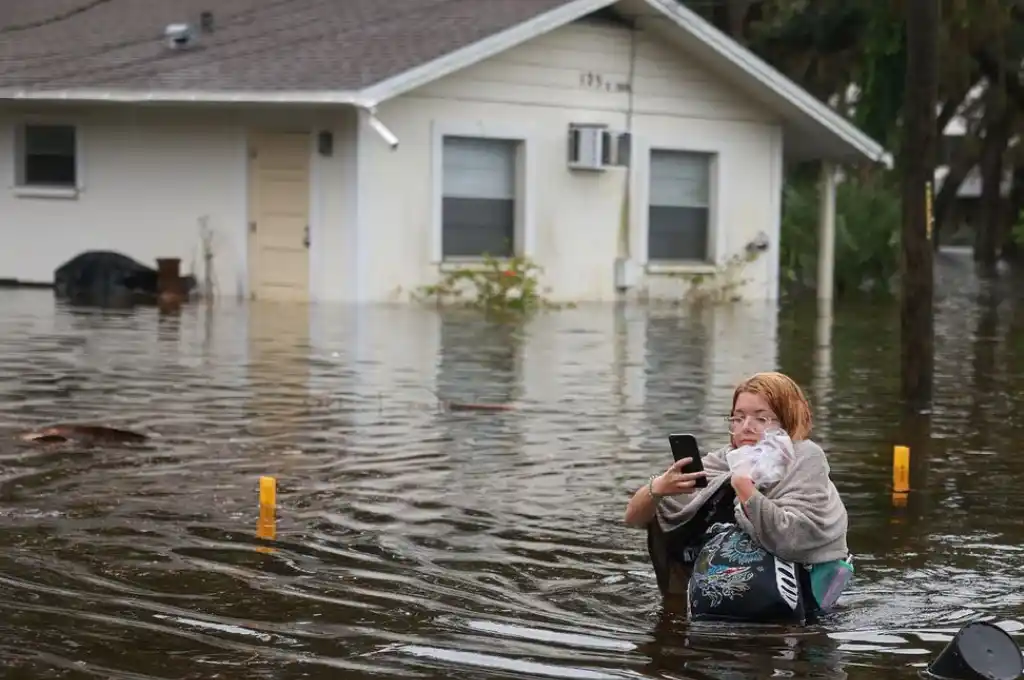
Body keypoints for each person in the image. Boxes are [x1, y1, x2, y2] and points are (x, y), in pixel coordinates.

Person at [624, 371, 851, 617]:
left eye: (762, 418)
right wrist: (656, 489)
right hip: (712, 605)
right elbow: (634, 519)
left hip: (791, 611)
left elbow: (795, 537)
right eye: (738, 417)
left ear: (787, 420)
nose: (746, 427)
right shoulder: (722, 461)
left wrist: (745, 489)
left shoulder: (805, 458)